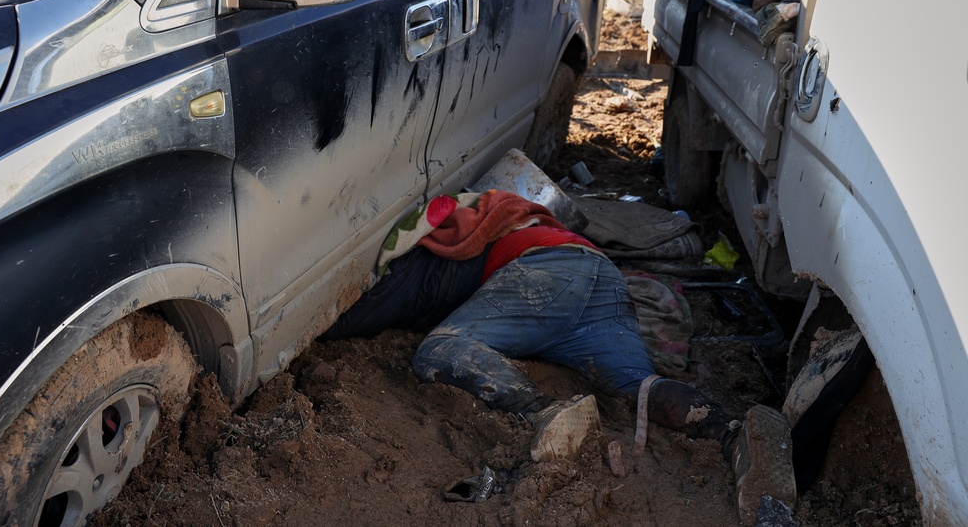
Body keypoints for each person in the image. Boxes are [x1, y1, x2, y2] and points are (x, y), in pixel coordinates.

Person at [324, 190, 795, 524]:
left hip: (547, 276)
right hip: (600, 279)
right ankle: (734, 434)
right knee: (639, 386)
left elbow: (366, 312)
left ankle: (544, 411)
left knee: (440, 349)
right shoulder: (506, 221)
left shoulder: (431, 261)